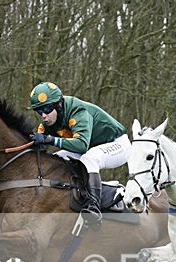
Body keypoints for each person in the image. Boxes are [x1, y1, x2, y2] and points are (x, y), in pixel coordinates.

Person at [28, 82, 130, 229]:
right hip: (91, 147)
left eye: (47, 109)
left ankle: (93, 207)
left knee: (91, 158)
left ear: (59, 105)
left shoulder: (77, 111)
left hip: (117, 144)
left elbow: (82, 145)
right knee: (57, 159)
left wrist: (51, 140)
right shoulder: (47, 122)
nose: (44, 115)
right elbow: (39, 146)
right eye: (39, 111)